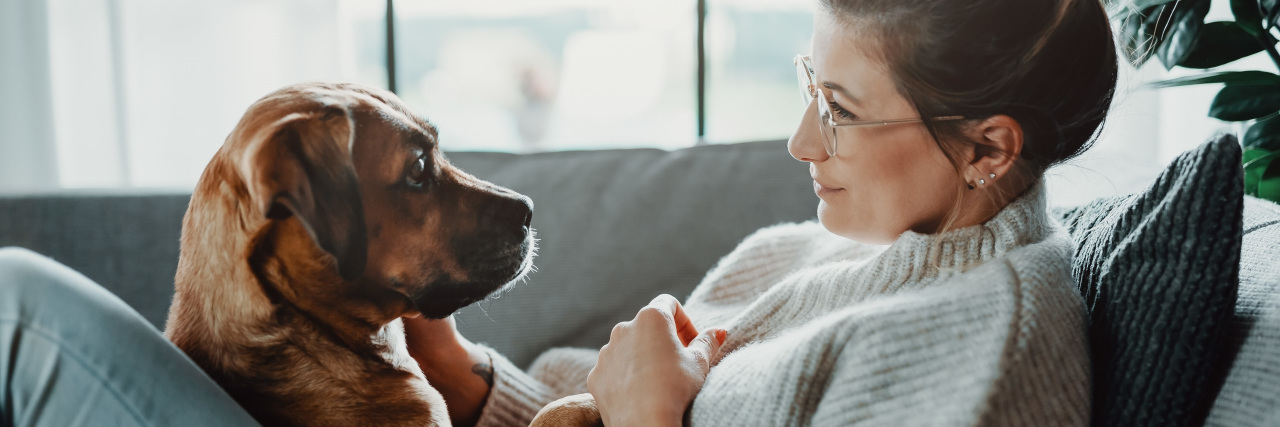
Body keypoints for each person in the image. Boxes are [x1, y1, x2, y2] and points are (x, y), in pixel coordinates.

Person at [404, 0, 1117, 425]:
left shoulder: (987, 358)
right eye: (812, 86)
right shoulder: (803, 252)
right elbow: (588, 405)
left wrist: (649, 417)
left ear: (987, 148)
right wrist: (457, 370)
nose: (800, 141)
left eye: (839, 109)